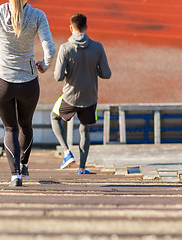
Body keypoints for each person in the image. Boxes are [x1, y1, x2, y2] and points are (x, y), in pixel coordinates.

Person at [0, 0, 56, 186]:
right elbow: (51, 50)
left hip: (0, 81)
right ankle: (24, 163)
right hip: (28, 82)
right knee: (25, 125)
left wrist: (2, 37)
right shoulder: (38, 15)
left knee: (10, 128)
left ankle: (15, 175)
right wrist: (44, 65)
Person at [51, 13, 111, 174]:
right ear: (86, 27)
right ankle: (82, 168)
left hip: (70, 96)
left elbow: (58, 77)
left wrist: (67, 71)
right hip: (90, 98)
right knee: (85, 130)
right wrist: (93, 67)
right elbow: (106, 74)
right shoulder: (98, 47)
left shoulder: (65, 48)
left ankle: (66, 152)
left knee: (54, 117)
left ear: (71, 28)